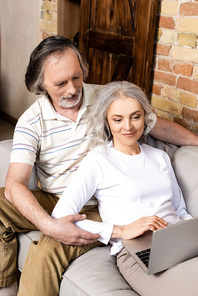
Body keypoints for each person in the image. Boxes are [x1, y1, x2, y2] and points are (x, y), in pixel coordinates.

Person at [0, 35, 198, 296]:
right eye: (60, 83)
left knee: (47, 250)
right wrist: (50, 225)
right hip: (55, 197)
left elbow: (156, 125)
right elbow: (15, 184)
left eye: (76, 77)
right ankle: (5, 283)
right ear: (41, 84)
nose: (72, 89)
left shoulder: (105, 99)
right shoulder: (31, 121)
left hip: (97, 203)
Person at [52, 80, 198, 296]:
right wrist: (120, 231)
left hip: (178, 244)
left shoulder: (160, 157)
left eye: (135, 117)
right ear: (106, 121)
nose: (128, 127)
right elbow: (60, 216)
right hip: (138, 253)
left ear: (145, 117)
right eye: (118, 119)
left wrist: (191, 235)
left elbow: (180, 210)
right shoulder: (99, 160)